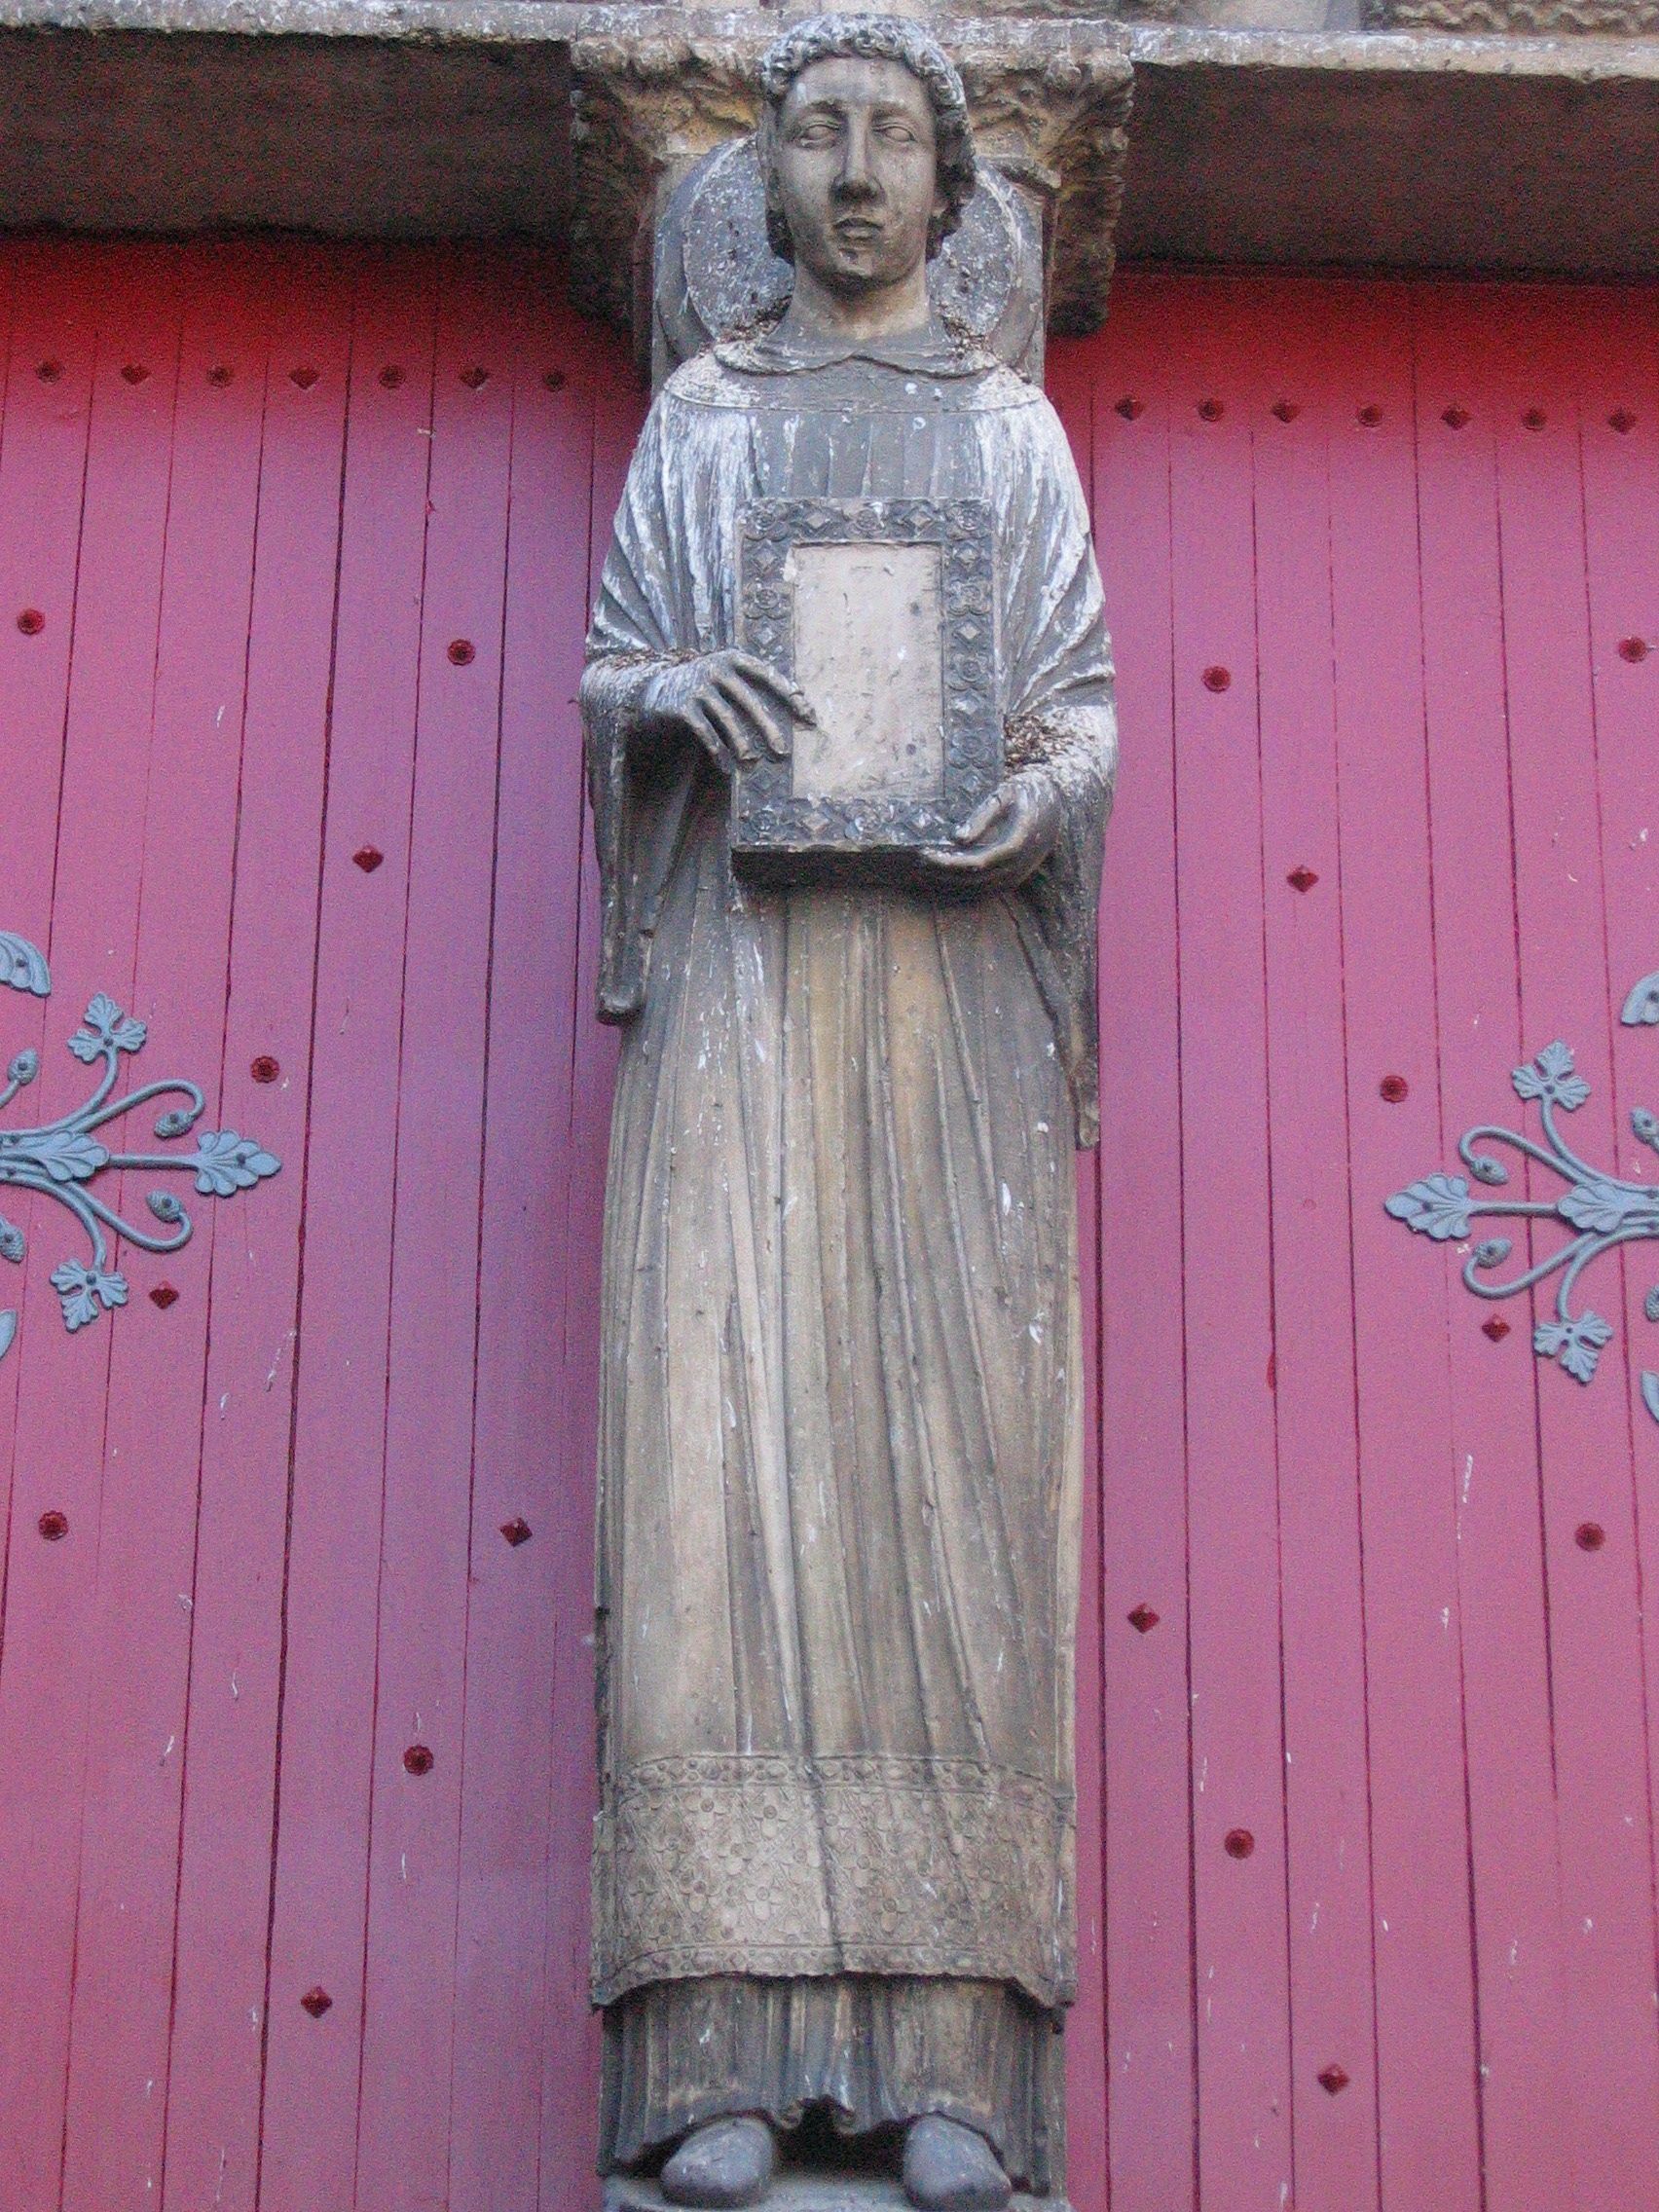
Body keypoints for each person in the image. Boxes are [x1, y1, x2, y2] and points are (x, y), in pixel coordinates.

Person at [580, 17, 1116, 2207]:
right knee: (720, 1462)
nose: (860, 172)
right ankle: (712, 2044)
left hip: (952, 1016)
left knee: (949, 1478)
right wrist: (663, 696)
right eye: (818, 136)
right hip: (742, 997)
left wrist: (1037, 803)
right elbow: (621, 659)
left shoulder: (1006, 431)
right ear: (769, 180)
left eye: (898, 136)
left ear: (957, 187)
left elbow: (1076, 705)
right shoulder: (703, 419)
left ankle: (953, 2060)